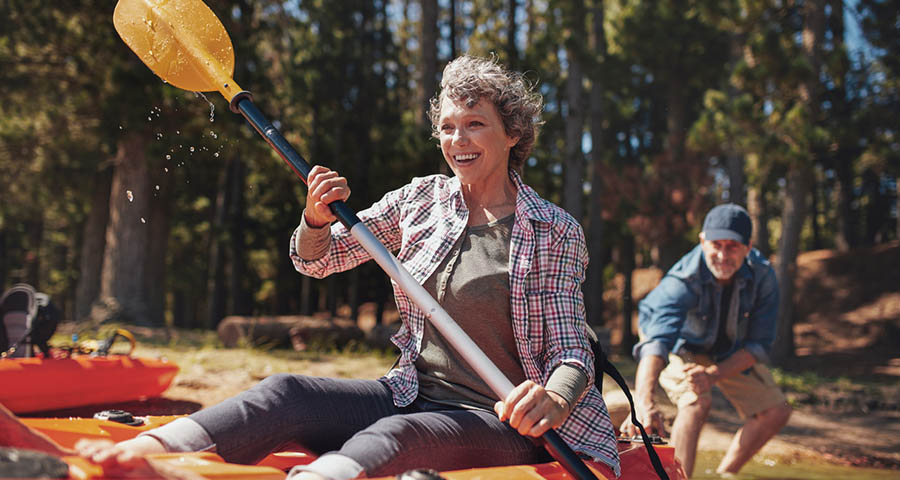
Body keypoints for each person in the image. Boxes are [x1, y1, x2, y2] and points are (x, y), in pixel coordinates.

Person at [65, 55, 620, 479]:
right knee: (286, 393)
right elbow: (321, 260)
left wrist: (555, 396)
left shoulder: (552, 229)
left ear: (513, 133)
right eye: (448, 127)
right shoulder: (421, 200)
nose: (457, 140)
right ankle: (142, 456)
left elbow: (572, 349)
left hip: (506, 421)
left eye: (474, 124)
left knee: (396, 435)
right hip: (413, 390)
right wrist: (313, 219)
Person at [620, 203, 792, 477]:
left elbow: (758, 345)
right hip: (678, 343)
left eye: (732, 246)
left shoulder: (764, 275)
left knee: (775, 411)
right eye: (716, 244)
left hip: (725, 350)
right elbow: (657, 343)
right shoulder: (684, 278)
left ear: (748, 247)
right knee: (696, 401)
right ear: (702, 241)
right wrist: (644, 402)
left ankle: (725, 474)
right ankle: (677, 477)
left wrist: (713, 375)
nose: (723, 255)